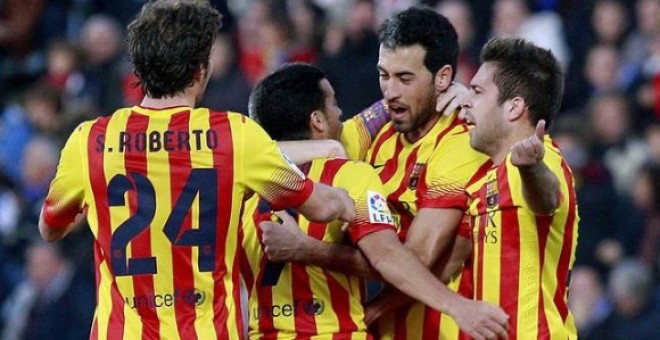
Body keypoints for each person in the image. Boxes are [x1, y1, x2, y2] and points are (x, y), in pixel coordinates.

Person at [37, 1, 354, 339]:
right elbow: (319, 207)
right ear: (201, 70)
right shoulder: (234, 135)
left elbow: (50, 228)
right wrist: (348, 199)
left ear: (138, 71)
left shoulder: (90, 141)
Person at [261, 7, 509, 340]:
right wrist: (327, 149)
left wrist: (309, 250)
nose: (390, 92)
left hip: (438, 330)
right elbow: (274, 147)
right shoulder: (380, 132)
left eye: (405, 79)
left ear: (442, 77)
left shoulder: (459, 144)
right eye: (384, 75)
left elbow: (416, 258)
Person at [459, 37, 579, 338]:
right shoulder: (482, 178)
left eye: (477, 91)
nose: (465, 100)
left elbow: (547, 199)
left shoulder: (545, 157)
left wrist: (531, 168)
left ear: (514, 108)